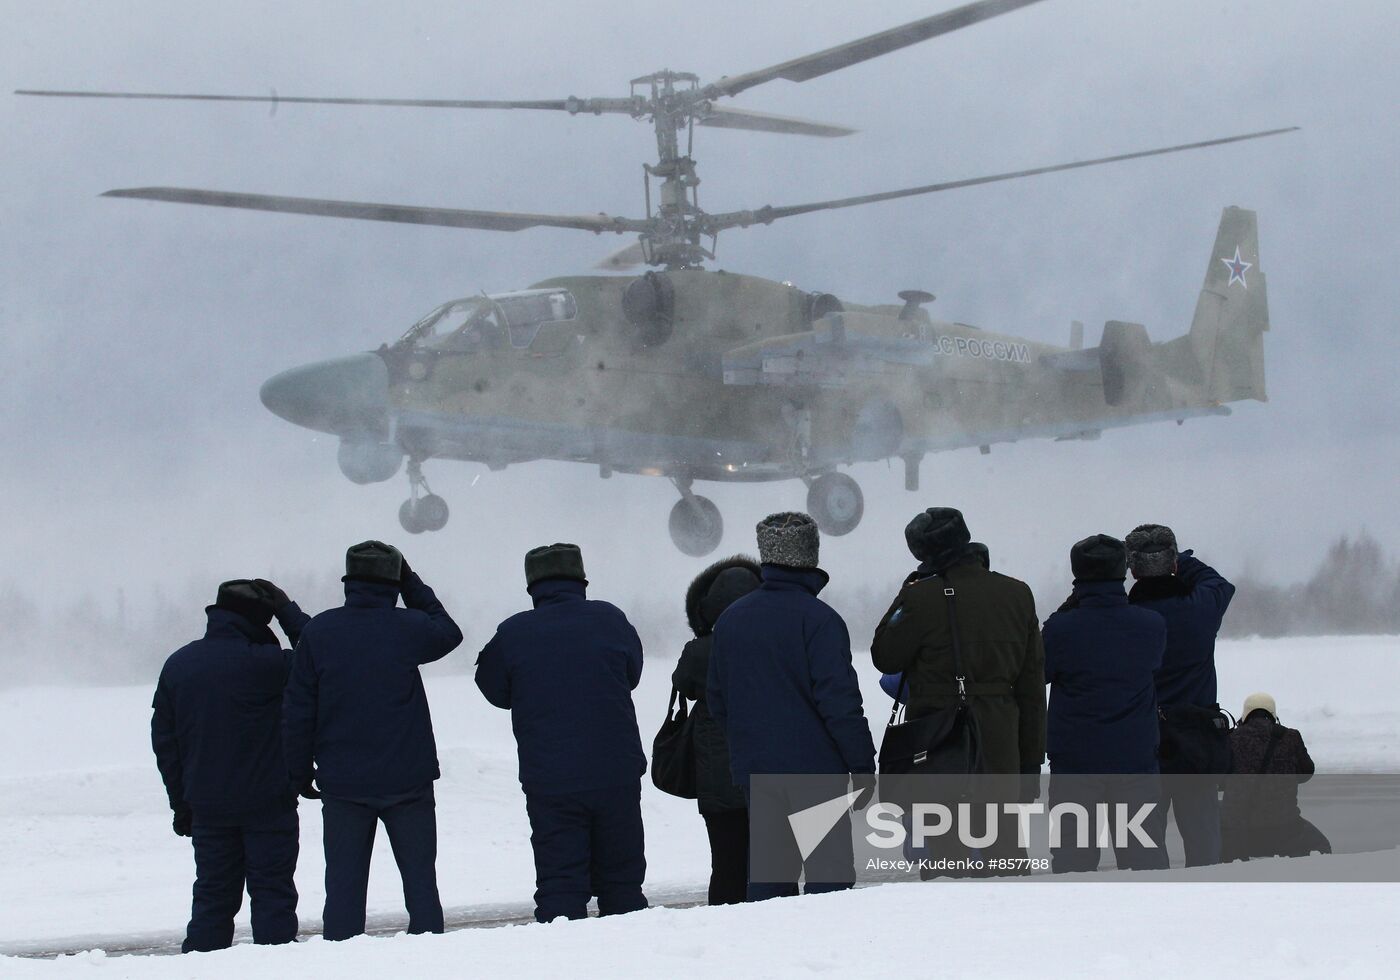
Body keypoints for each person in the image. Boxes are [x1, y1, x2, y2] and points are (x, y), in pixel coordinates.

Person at [282, 541, 462, 940]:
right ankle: (431, 959)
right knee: (421, 888)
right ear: (393, 583)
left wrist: (297, 771)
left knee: (343, 891)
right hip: (408, 780)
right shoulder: (408, 627)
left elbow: (299, 709)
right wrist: (412, 582)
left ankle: (344, 961)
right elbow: (450, 633)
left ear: (349, 582)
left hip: (344, 783)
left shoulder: (320, 631)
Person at [476, 543, 649, 923]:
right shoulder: (610, 619)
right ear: (581, 580)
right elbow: (631, 674)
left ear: (532, 587)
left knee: (560, 888)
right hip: (615, 772)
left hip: (550, 780)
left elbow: (491, 687)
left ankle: (564, 963)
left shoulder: (513, 632)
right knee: (622, 884)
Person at [708, 512, 876, 901]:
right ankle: (830, 957)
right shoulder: (820, 620)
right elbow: (841, 704)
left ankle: (771, 958)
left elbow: (718, 700)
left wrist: (750, 744)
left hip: (757, 771)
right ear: (810, 556)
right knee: (829, 881)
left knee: (769, 882)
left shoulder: (731, 620)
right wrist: (862, 766)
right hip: (817, 772)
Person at [871, 507, 1045, 875]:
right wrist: (1030, 764)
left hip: (937, 743)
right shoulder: (1016, 593)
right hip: (1001, 742)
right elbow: (1031, 690)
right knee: (1005, 854)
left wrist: (908, 591)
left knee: (945, 857)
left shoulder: (920, 597)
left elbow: (885, 655)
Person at [152, 578, 309, 953]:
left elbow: (166, 744)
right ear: (259, 620)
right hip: (269, 803)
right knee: (273, 901)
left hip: (207, 805)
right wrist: (287, 611)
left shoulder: (179, 665)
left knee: (212, 901)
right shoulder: (271, 664)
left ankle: (201, 970)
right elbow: (326, 651)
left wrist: (181, 803)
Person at [1041, 535, 1167, 872]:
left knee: (1074, 861)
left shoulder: (1060, 629)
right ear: (1122, 570)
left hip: (1076, 763)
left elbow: (1041, 671)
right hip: (1135, 759)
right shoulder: (1150, 625)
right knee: (1145, 860)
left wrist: (1069, 608)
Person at [1126, 524, 1235, 867]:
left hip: (1144, 739)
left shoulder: (1125, 620)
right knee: (1204, 839)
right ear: (1172, 562)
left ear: (1132, 569)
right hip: (1196, 739)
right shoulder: (1199, 610)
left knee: (1144, 842)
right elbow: (1219, 584)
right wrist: (1182, 561)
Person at [672, 555, 762, 906]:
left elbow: (683, 684)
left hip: (718, 776)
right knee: (771, 868)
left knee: (725, 866)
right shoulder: (770, 639)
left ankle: (725, 937)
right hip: (768, 769)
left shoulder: (700, 651)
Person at [1221, 692, 1330, 861]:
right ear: (1273, 715)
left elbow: (1219, 780)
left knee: (1216, 835)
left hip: (1240, 831)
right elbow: (1306, 773)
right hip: (1285, 828)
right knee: (1322, 846)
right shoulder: (1291, 737)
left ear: (1245, 715)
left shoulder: (1231, 739)